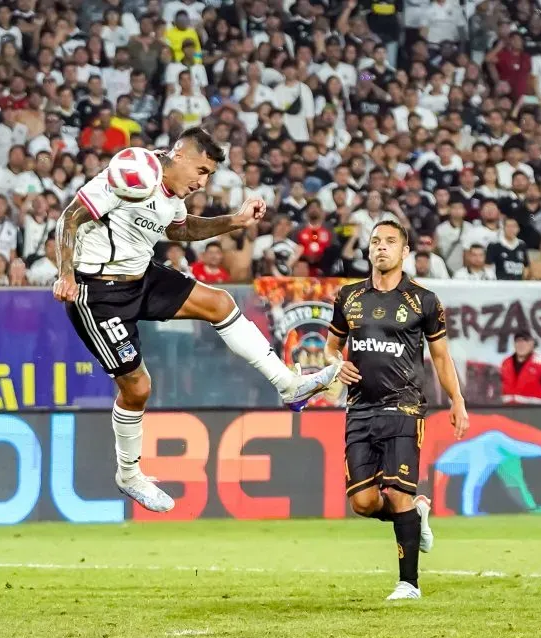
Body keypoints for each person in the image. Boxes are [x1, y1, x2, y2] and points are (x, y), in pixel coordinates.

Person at [52, 127, 342, 513]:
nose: (202, 182)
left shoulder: (173, 195)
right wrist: (66, 274)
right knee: (138, 388)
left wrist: (234, 221)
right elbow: (70, 218)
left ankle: (288, 385)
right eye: (201, 170)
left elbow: (182, 227)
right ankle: (129, 474)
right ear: (180, 155)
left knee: (219, 302)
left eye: (208, 175)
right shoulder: (136, 171)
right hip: (97, 293)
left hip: (141, 277)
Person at [325, 221, 470, 601]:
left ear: (405, 252)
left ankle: (408, 584)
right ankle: (415, 517)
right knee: (364, 502)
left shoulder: (424, 300)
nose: (381, 248)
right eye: (375, 242)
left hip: (404, 408)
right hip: (359, 409)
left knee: (399, 493)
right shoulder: (348, 297)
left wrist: (457, 400)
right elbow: (329, 348)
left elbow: (440, 356)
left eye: (390, 242)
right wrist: (334, 365)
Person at [500, 330, 541, 405]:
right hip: (508, 410)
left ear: (532, 344)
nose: (521, 344)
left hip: (534, 411)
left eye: (525, 341)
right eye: (518, 341)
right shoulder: (506, 363)